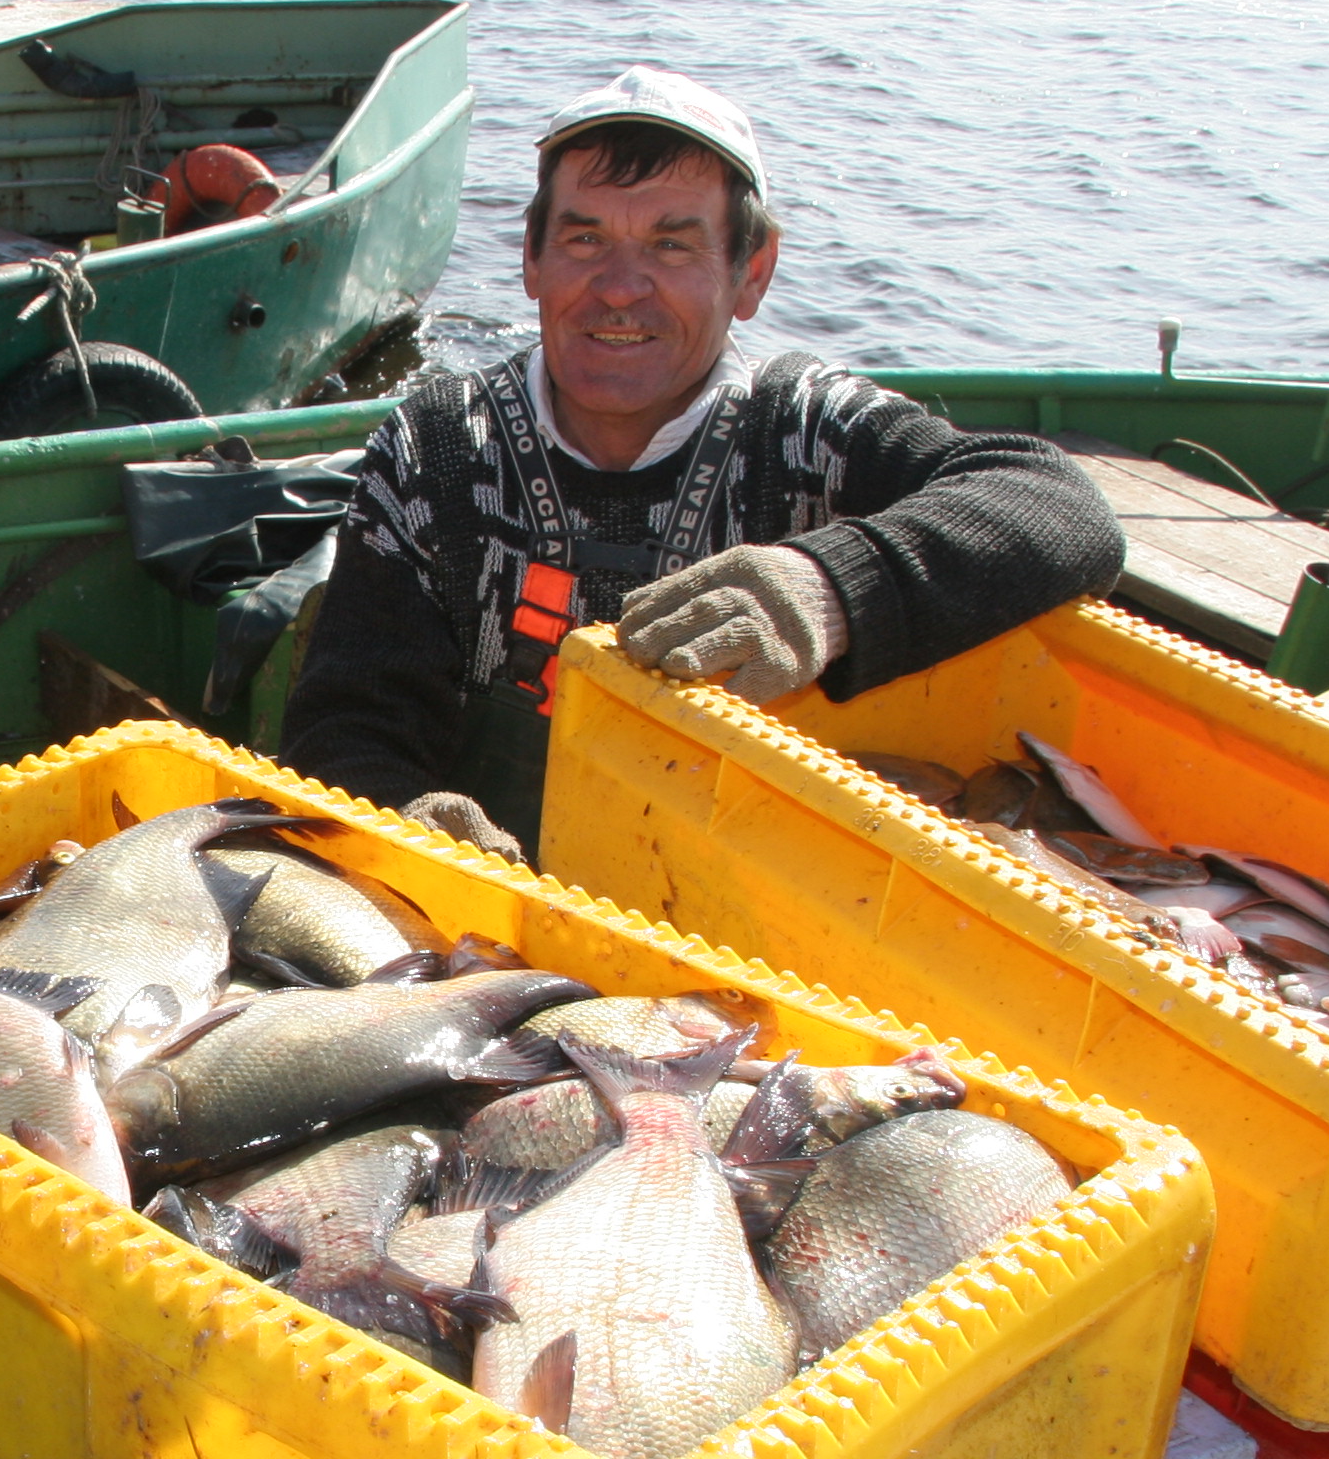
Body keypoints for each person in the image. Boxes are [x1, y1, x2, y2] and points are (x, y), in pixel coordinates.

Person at [278, 66, 1125, 862]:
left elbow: (1060, 506)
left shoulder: (803, 429)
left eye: (673, 247)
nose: (619, 287)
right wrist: (406, 830)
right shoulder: (437, 445)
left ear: (750, 273)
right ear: (531, 260)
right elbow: (347, 728)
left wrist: (827, 588)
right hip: (483, 924)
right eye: (583, 238)